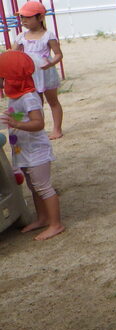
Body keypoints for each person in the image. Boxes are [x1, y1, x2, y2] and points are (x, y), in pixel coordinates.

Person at [0, 50, 62, 240]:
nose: (2, 82)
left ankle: (55, 224)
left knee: (43, 187)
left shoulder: (29, 97)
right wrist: (11, 116)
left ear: (12, 77)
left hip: (37, 152)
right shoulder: (15, 97)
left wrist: (16, 124)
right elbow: (21, 115)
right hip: (24, 150)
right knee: (33, 186)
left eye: (3, 78)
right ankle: (42, 218)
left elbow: (38, 123)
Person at [14, 0, 64, 139]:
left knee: (53, 101)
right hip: (30, 74)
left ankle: (57, 129)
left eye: (28, 17)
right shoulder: (21, 37)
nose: (24, 21)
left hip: (46, 73)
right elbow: (14, 54)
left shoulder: (48, 35)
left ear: (40, 17)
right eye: (22, 17)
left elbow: (58, 54)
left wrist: (50, 63)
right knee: (36, 103)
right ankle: (38, 129)